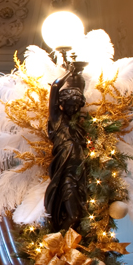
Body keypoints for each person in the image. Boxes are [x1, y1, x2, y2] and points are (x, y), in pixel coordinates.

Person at [44, 62, 87, 232]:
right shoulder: (57, 119)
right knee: (74, 216)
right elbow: (55, 87)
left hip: (80, 174)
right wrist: (69, 73)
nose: (73, 108)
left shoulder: (78, 125)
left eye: (76, 105)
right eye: (70, 104)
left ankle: (66, 247)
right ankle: (59, 246)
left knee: (81, 216)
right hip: (65, 175)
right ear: (63, 104)